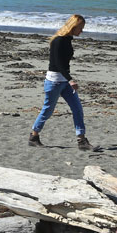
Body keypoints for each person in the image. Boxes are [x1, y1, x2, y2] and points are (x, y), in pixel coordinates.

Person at [28, 14, 93, 150]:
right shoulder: (58, 41)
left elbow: (64, 64)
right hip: (54, 82)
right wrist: (70, 80)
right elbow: (58, 64)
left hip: (64, 81)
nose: (82, 31)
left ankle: (82, 141)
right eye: (80, 28)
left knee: (77, 109)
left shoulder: (68, 40)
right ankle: (34, 136)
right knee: (48, 111)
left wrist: (68, 80)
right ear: (73, 27)